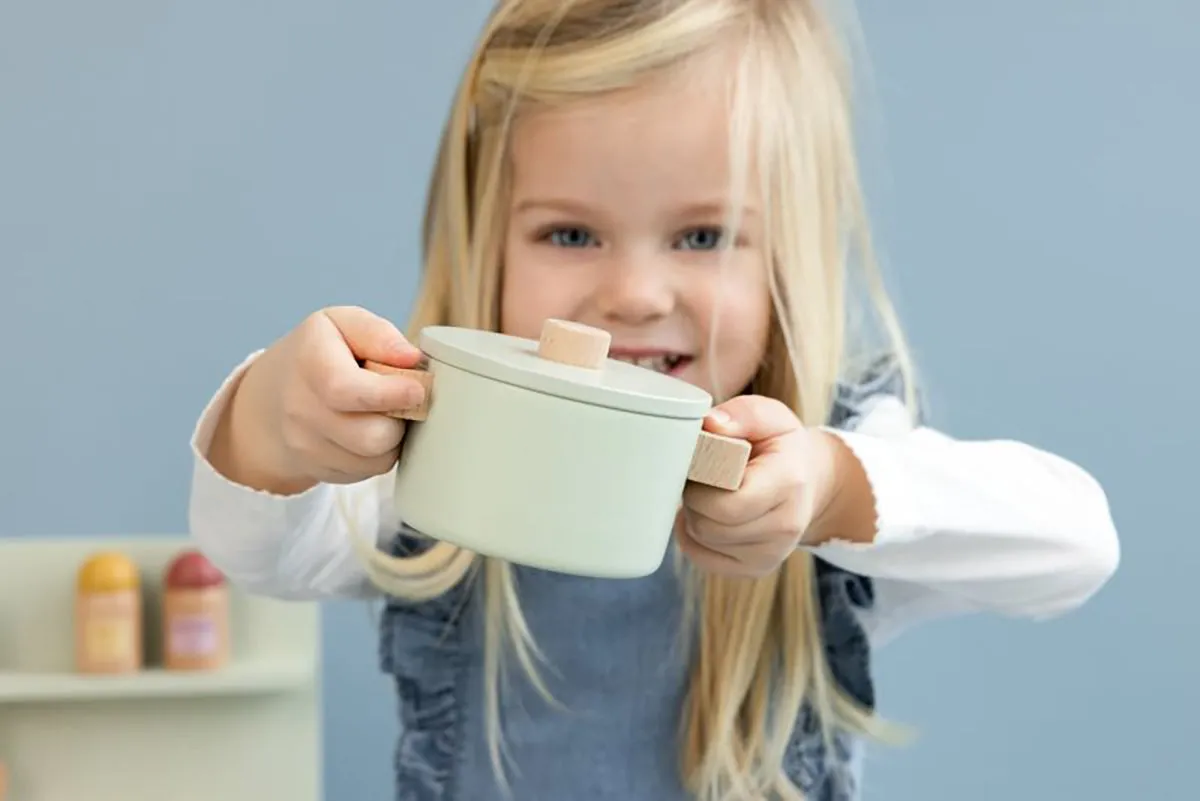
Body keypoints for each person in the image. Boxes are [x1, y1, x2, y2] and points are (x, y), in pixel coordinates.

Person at [187, 1, 1120, 799]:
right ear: (490, 242)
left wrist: (833, 490)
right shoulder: (436, 457)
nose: (633, 293)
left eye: (703, 234)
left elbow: (1076, 545)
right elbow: (256, 552)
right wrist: (274, 419)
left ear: (784, 256)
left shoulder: (818, 472)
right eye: (571, 232)